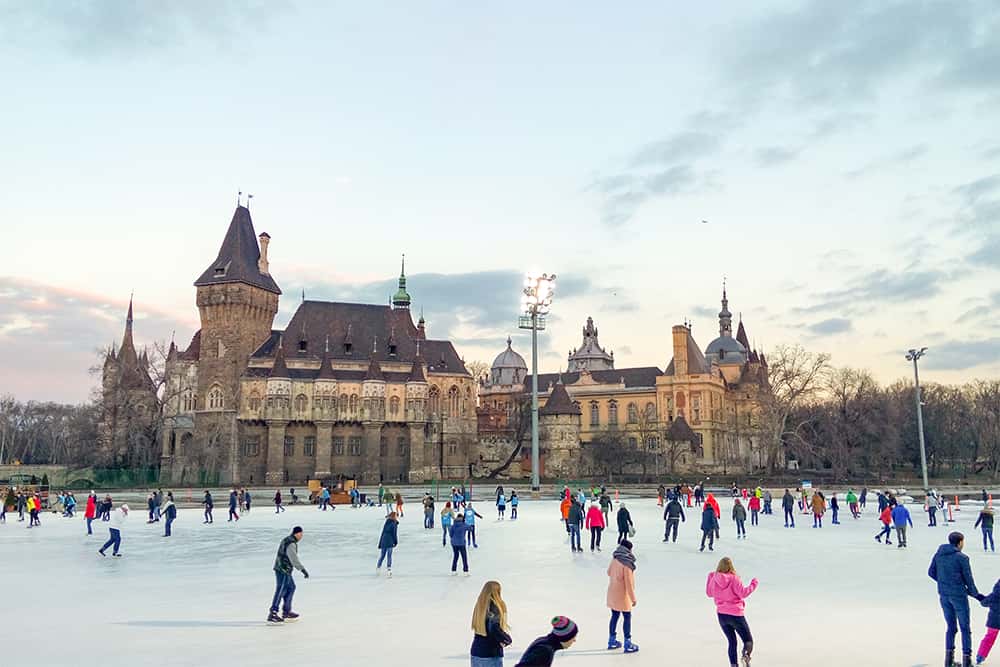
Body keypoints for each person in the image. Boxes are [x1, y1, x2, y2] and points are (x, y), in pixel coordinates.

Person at [929, 532, 981, 667]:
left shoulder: (939, 554)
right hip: (958, 596)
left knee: (951, 627)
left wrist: (944, 582)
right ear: (960, 542)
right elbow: (968, 580)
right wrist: (976, 595)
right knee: (965, 628)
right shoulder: (962, 558)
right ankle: (966, 661)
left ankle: (948, 661)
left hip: (944, 595)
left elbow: (931, 572)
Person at [706, 557, 758, 667]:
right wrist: (754, 584)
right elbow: (743, 593)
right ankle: (746, 655)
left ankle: (734, 665)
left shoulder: (714, 578)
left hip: (722, 615)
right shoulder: (734, 578)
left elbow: (709, 593)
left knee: (732, 642)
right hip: (736, 615)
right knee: (748, 640)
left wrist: (710, 577)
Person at [269, 526, 309, 623]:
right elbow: (293, 558)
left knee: (291, 587)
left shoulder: (288, 540)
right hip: (282, 569)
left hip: (284, 569)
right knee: (280, 590)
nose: (302, 536)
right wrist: (302, 569)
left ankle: (286, 611)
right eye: (301, 534)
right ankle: (273, 613)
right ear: (297, 533)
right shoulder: (291, 543)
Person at [606, 539, 638, 653]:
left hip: (613, 592)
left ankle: (612, 641)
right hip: (623, 595)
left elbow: (608, 572)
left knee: (614, 616)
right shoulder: (627, 563)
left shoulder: (615, 558)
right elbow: (629, 584)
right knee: (627, 617)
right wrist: (633, 599)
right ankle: (628, 643)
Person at [470, 580, 513, 667]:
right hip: (490, 654)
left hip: (476, 652)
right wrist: (506, 639)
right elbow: (494, 628)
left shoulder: (479, 607)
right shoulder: (495, 607)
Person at [976, 577, 1000, 665]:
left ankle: (980, 657)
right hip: (994, 621)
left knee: (989, 638)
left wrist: (981, 597)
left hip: (994, 622)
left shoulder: (994, 595)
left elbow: (984, 603)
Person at [376, 511, 399, 577]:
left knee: (382, 555)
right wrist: (396, 541)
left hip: (384, 540)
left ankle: (378, 567)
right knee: (389, 555)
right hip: (390, 541)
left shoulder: (387, 522)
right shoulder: (394, 523)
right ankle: (389, 569)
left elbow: (383, 532)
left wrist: (380, 542)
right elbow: (394, 533)